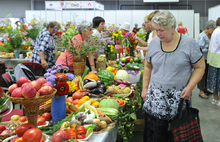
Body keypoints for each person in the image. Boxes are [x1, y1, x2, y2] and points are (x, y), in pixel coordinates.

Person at [142, 10, 205, 142]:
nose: (158, 34)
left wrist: (190, 87)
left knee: (176, 137)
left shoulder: (189, 44)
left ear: (172, 27)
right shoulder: (154, 43)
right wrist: (144, 89)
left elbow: (200, 67)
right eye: (156, 30)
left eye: (162, 30)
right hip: (154, 103)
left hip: (178, 103)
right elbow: (148, 66)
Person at [197, 20, 216, 99]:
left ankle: (205, 89)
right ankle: (201, 91)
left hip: (208, 58)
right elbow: (200, 49)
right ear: (209, 27)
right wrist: (209, 49)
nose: (214, 31)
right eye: (213, 29)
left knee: (207, 73)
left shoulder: (210, 36)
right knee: (202, 74)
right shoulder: (202, 36)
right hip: (202, 58)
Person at [207, 17, 220, 106]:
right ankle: (219, 100)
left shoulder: (215, 31)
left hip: (213, 59)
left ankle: (215, 99)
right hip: (218, 60)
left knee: (215, 81)